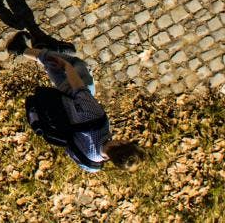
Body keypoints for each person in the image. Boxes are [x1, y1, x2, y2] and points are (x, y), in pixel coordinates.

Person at [11, 33, 144, 172]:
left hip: (68, 101)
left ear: (122, 143)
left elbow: (79, 90)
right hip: (62, 118)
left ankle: (21, 49)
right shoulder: (92, 165)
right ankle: (46, 50)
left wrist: (67, 66)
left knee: (75, 65)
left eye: (126, 141)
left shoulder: (98, 121)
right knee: (72, 79)